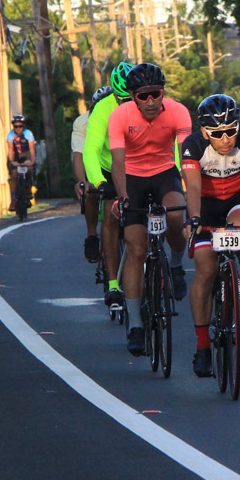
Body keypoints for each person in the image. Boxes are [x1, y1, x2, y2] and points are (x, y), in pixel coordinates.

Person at [180, 94, 240, 377]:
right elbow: (194, 188)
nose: (226, 139)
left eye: (231, 131)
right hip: (206, 206)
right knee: (205, 268)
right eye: (218, 134)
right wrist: (195, 218)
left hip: (238, 197)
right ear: (204, 132)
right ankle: (202, 346)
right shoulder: (193, 146)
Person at [109, 62, 192, 356]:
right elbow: (118, 162)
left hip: (164, 174)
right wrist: (122, 198)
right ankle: (135, 325)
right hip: (131, 178)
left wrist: (192, 193)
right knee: (136, 250)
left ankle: (177, 265)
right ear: (132, 96)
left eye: (156, 94)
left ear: (163, 92)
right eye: (143, 96)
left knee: (175, 216)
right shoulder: (120, 116)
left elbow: (186, 158)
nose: (151, 101)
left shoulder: (179, 112)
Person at [82, 61, 136, 310]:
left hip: (141, 166)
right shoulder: (103, 109)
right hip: (109, 166)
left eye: (132, 98)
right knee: (111, 218)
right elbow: (91, 149)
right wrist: (99, 181)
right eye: (121, 99)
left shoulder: (149, 103)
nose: (128, 104)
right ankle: (113, 283)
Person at [72, 88, 113, 263]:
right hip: (95, 162)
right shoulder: (83, 123)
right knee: (91, 192)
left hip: (117, 163)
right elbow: (79, 154)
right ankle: (91, 236)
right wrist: (83, 182)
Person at [6, 114, 36, 212]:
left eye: (20, 126)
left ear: (24, 126)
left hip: (25, 154)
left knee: (29, 170)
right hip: (15, 155)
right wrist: (12, 161)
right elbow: (10, 149)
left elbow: (31, 148)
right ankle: (13, 200)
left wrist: (32, 161)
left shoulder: (28, 133)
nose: (18, 128)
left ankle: (28, 187)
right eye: (16, 126)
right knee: (14, 175)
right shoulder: (10, 134)